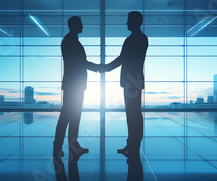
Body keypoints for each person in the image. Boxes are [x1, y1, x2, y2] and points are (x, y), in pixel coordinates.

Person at [102, 11, 149, 155]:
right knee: (132, 113)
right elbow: (125, 58)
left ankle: (134, 145)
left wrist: (105, 68)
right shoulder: (138, 38)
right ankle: (132, 144)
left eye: (129, 20)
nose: (126, 23)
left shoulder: (136, 39)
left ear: (135, 21)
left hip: (132, 81)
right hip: (133, 81)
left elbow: (123, 58)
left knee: (133, 113)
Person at [54, 16, 100, 158]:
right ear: (74, 25)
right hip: (73, 85)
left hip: (74, 84)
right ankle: (59, 148)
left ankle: (71, 146)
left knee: (73, 116)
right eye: (80, 24)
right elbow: (80, 62)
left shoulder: (71, 40)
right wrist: (98, 68)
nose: (83, 26)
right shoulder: (70, 41)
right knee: (68, 116)